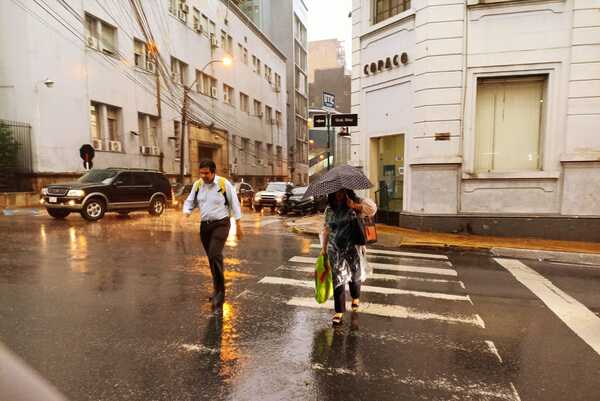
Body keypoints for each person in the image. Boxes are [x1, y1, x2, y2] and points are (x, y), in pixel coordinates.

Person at [183, 159, 243, 307]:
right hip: (205, 226)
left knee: (214, 254)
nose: (203, 176)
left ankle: (221, 293)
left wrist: (239, 225)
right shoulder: (198, 185)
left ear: (213, 172)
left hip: (221, 224)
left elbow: (234, 203)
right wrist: (185, 214)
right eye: (201, 173)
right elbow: (190, 201)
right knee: (212, 258)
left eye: (206, 173)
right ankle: (217, 289)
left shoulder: (223, 184)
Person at [320, 189, 377, 326]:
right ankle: (339, 311)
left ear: (347, 193)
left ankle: (355, 296)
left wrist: (354, 206)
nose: (339, 195)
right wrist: (323, 249)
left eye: (342, 192)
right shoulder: (329, 210)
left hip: (353, 249)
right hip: (335, 249)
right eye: (336, 193)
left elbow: (372, 210)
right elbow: (326, 229)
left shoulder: (355, 205)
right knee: (337, 279)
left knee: (354, 276)